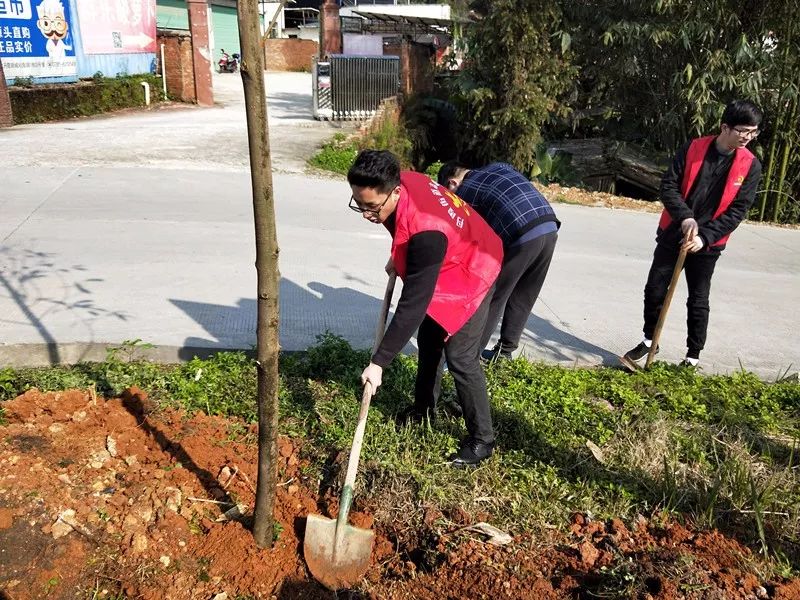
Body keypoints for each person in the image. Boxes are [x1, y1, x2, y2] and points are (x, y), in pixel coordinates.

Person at [347, 150, 503, 467]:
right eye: (358, 205)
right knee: (430, 338)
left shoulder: (426, 234)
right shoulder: (404, 179)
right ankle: (423, 410)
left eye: (371, 207)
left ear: (395, 191)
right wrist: (399, 252)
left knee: (460, 355)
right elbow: (399, 224)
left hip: (476, 266)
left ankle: (482, 440)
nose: (366, 214)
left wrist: (379, 362)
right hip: (451, 256)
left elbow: (413, 304)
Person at [620, 99, 763, 371]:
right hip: (674, 231)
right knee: (654, 289)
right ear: (725, 127)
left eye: (753, 132)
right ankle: (650, 340)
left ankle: (692, 356)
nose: (748, 137)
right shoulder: (694, 148)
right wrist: (685, 217)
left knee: (698, 299)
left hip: (708, 243)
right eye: (743, 130)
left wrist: (704, 237)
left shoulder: (750, 165)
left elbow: (738, 210)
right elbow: (668, 186)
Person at [438, 161, 560, 362]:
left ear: (452, 183)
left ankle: (469, 357)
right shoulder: (501, 166)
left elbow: (464, 238)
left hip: (521, 235)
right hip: (549, 226)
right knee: (524, 295)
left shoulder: (466, 191)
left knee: (493, 297)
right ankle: (504, 353)